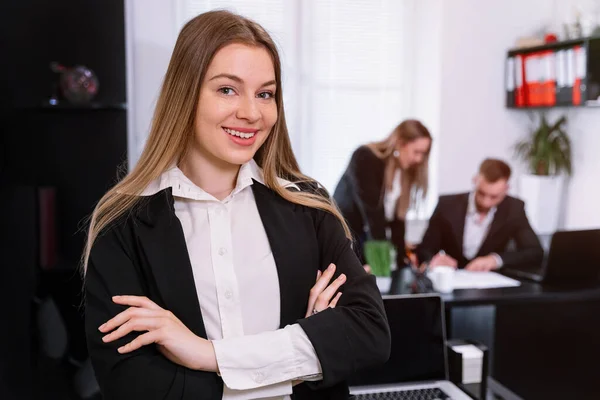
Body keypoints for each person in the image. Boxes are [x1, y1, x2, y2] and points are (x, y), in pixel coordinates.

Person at [82, 10, 390, 400]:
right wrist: (302, 358)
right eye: (227, 89)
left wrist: (206, 354)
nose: (252, 112)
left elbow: (369, 334)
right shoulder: (123, 225)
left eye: (265, 93)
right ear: (186, 92)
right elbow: (133, 385)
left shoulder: (308, 203)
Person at [333, 120, 432, 272]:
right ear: (400, 143)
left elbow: (398, 222)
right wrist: (382, 267)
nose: (419, 159)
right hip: (347, 237)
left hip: (370, 239)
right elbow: (373, 215)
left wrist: (402, 263)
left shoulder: (406, 174)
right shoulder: (365, 157)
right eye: (416, 152)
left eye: (423, 154)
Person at [416, 158, 544, 271]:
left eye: (494, 197)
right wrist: (434, 260)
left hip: (492, 286)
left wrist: (496, 260)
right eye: (481, 193)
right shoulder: (447, 205)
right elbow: (425, 249)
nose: (486, 202)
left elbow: (534, 252)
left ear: (506, 189)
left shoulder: (514, 208)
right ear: (475, 180)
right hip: (452, 281)